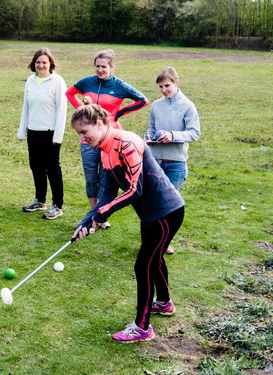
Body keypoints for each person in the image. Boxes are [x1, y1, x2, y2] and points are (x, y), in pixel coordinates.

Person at [70, 101, 184, 343]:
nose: (82, 138)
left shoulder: (127, 143)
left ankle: (143, 327)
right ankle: (164, 303)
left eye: (84, 132)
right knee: (154, 259)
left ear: (99, 124)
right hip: (150, 214)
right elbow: (107, 195)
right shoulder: (104, 151)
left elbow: (135, 190)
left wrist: (101, 216)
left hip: (165, 211)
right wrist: (87, 221)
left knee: (143, 266)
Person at [66, 49, 148, 228]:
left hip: (109, 139)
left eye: (104, 67)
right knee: (90, 177)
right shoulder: (87, 82)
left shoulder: (119, 85)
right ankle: (94, 211)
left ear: (111, 67)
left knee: (106, 177)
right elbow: (69, 93)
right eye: (97, 66)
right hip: (88, 139)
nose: (100, 70)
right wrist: (81, 111)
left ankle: (100, 216)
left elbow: (143, 100)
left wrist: (119, 113)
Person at [145, 66, 200, 253]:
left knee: (168, 205)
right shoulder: (156, 105)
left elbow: (194, 133)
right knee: (154, 202)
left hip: (176, 163)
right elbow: (151, 129)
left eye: (167, 85)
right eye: (160, 87)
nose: (163, 90)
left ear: (176, 82)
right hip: (155, 161)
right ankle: (154, 240)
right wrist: (149, 138)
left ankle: (164, 242)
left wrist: (172, 135)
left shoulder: (188, 106)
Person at [17, 48, 67, 220]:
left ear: (50, 64)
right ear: (34, 64)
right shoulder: (30, 81)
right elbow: (26, 107)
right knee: (36, 166)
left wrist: (57, 136)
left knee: (52, 168)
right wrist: (22, 130)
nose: (41, 65)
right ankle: (40, 200)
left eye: (44, 62)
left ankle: (57, 205)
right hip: (33, 131)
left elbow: (62, 110)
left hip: (50, 133)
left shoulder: (57, 81)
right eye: (38, 62)